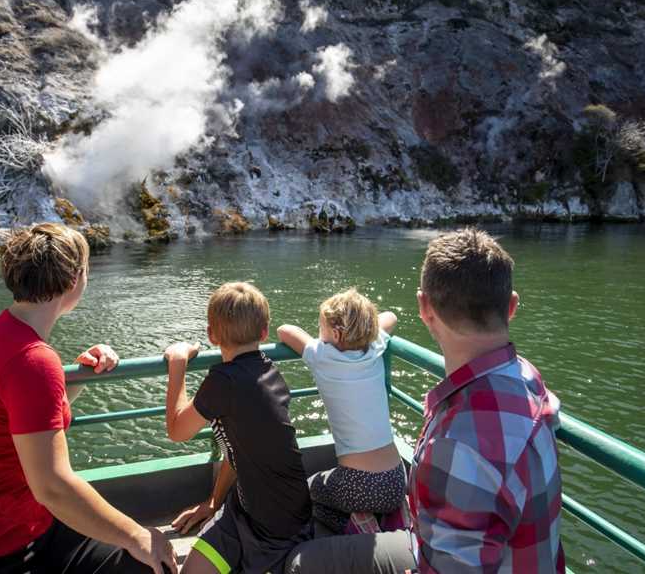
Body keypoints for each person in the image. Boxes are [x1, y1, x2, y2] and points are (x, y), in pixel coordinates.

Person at [285, 228, 565, 573]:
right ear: (511, 307)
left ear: (424, 307)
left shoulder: (460, 443)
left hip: (436, 555)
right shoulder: (528, 378)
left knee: (299, 563)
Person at [0, 223, 176, 574]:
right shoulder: (32, 360)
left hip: (30, 528)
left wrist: (76, 377)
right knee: (148, 559)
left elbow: (30, 425)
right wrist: (136, 535)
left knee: (141, 565)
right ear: (74, 280)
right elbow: (52, 486)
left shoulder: (6, 330)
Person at [162, 281, 312, 574]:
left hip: (278, 531)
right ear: (264, 332)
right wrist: (213, 503)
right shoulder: (268, 371)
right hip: (244, 512)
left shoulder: (224, 382)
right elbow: (238, 451)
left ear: (211, 335)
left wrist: (177, 362)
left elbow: (177, 431)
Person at [276, 288, 406, 534]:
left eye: (320, 326)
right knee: (354, 497)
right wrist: (365, 330)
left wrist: (319, 340)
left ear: (335, 333)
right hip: (397, 480)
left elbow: (285, 330)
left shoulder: (321, 355)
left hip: (357, 484)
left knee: (307, 493)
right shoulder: (375, 344)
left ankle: (358, 525)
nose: (318, 332)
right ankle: (383, 518)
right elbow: (391, 316)